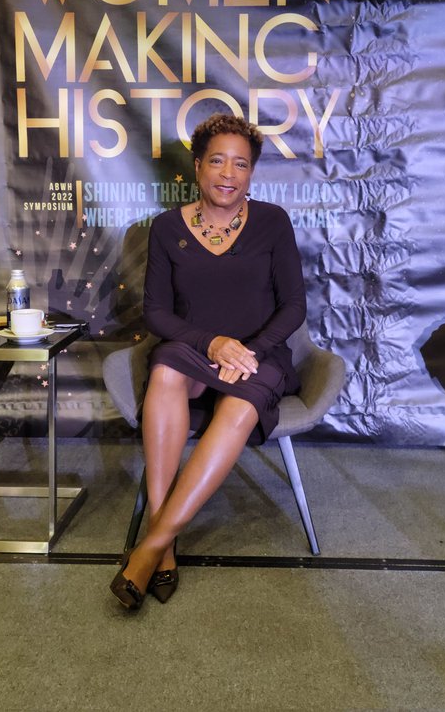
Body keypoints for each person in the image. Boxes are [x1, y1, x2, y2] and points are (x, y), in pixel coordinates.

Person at [109, 112, 306, 610]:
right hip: (194, 347)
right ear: (197, 167)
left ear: (251, 174)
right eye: (217, 160)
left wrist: (251, 351)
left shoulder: (273, 223)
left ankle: (151, 547)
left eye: (240, 164)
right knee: (166, 367)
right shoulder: (165, 228)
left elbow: (294, 307)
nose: (227, 173)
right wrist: (213, 344)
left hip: (261, 353)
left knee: (239, 405)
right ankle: (165, 534)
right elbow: (155, 312)